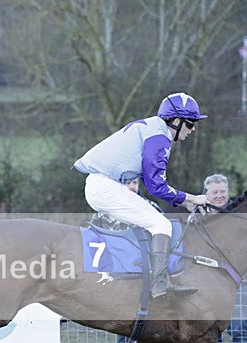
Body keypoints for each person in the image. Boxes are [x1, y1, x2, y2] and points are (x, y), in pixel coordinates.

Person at [74, 92, 209, 299]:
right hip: (105, 186)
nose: (193, 129)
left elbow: (149, 180)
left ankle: (139, 276)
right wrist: (191, 198)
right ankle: (159, 284)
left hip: (100, 184)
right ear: (175, 121)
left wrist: (184, 201)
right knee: (161, 225)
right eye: (190, 124)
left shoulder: (153, 129)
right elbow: (156, 187)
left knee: (151, 222)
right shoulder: (160, 138)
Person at [89, 177, 163, 343]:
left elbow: (163, 240)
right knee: (124, 326)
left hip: (145, 277)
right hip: (117, 279)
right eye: (126, 183)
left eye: (134, 182)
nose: (131, 187)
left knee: (151, 326)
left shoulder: (152, 207)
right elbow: (93, 243)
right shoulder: (104, 212)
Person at [203, 174, 247, 343]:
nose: (219, 196)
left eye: (222, 192)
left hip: (237, 284)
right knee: (211, 333)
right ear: (206, 193)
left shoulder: (240, 215)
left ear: (228, 192)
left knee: (239, 330)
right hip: (209, 288)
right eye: (214, 192)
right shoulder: (198, 216)